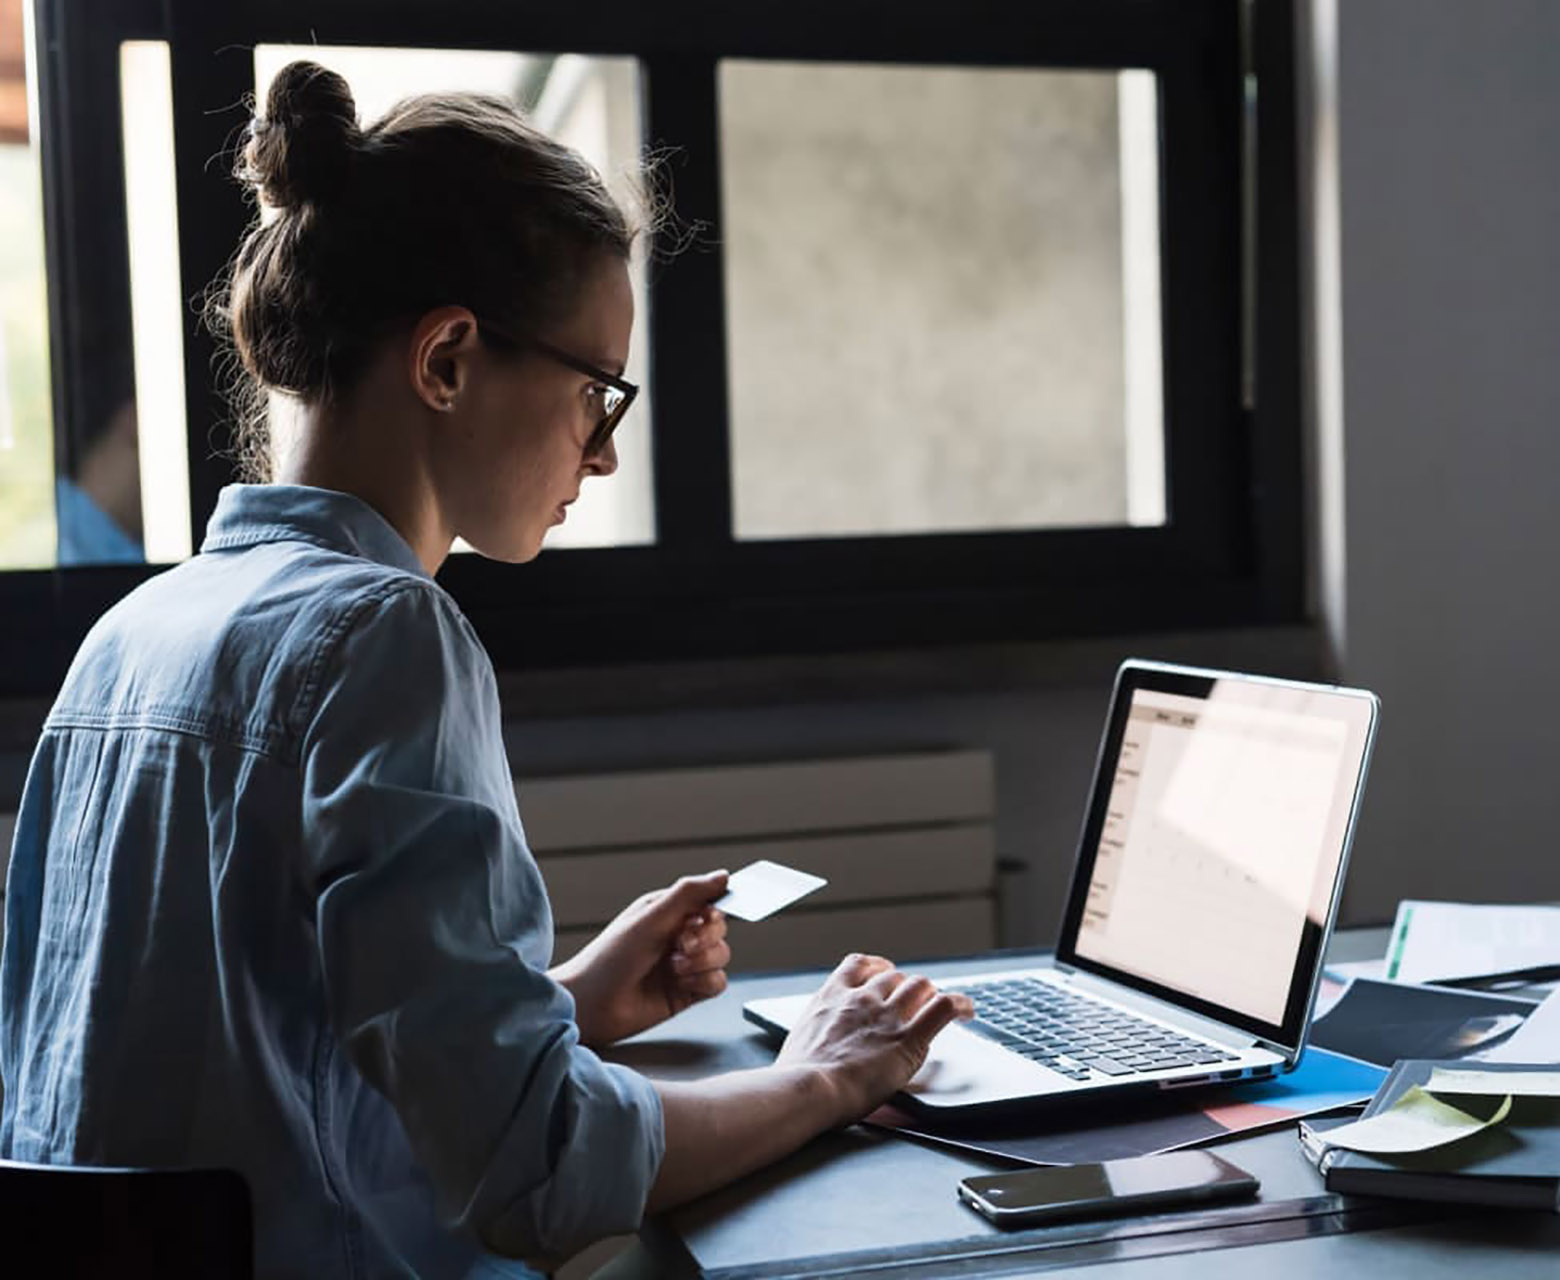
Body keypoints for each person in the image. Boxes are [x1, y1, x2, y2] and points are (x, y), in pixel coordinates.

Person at [0, 59, 972, 1276]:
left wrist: (561, 1000)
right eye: (595, 396)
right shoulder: (384, 638)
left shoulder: (137, 633)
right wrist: (830, 1072)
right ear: (448, 359)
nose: (602, 458)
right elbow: (543, 1166)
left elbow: (268, 1062)